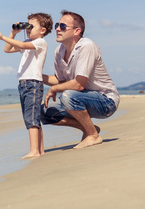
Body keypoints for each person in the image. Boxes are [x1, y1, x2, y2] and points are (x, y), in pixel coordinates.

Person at [41, 10, 119, 149]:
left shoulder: (86, 46)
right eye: (57, 25)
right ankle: (90, 128)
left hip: (105, 101)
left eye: (63, 26)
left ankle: (93, 135)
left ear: (77, 31)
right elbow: (60, 80)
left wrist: (54, 89)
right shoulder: (59, 51)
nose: (58, 29)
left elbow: (78, 84)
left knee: (67, 95)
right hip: (80, 99)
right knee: (44, 112)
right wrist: (37, 76)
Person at [0, 13, 53, 158]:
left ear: (42, 30)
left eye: (31, 26)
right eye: (26, 25)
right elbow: (7, 49)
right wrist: (13, 33)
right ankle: (40, 150)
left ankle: (34, 151)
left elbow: (22, 45)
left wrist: (2, 37)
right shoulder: (28, 41)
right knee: (34, 117)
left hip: (33, 83)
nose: (27, 28)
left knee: (31, 119)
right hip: (24, 83)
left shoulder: (40, 43)